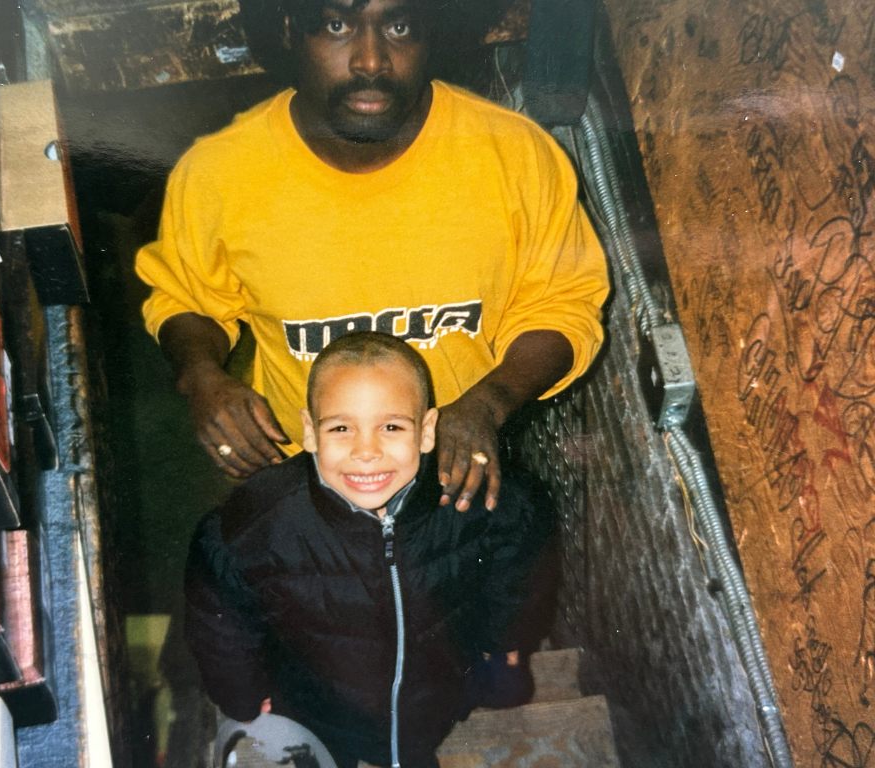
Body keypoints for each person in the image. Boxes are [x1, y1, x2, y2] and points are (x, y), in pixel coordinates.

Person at [134, 0, 610, 512]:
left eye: (400, 26)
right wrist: (202, 377)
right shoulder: (218, 173)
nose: (371, 61)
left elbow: (563, 303)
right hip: (307, 470)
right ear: (292, 28)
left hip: (456, 469)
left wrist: (488, 405)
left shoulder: (514, 154)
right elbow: (187, 295)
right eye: (337, 25)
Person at [185, 332, 547, 768]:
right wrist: (239, 695)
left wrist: (503, 644)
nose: (366, 452)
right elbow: (220, 624)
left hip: (432, 703)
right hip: (317, 713)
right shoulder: (248, 530)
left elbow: (515, 567)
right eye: (341, 428)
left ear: (428, 431)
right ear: (309, 432)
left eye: (391, 427)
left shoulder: (484, 500)